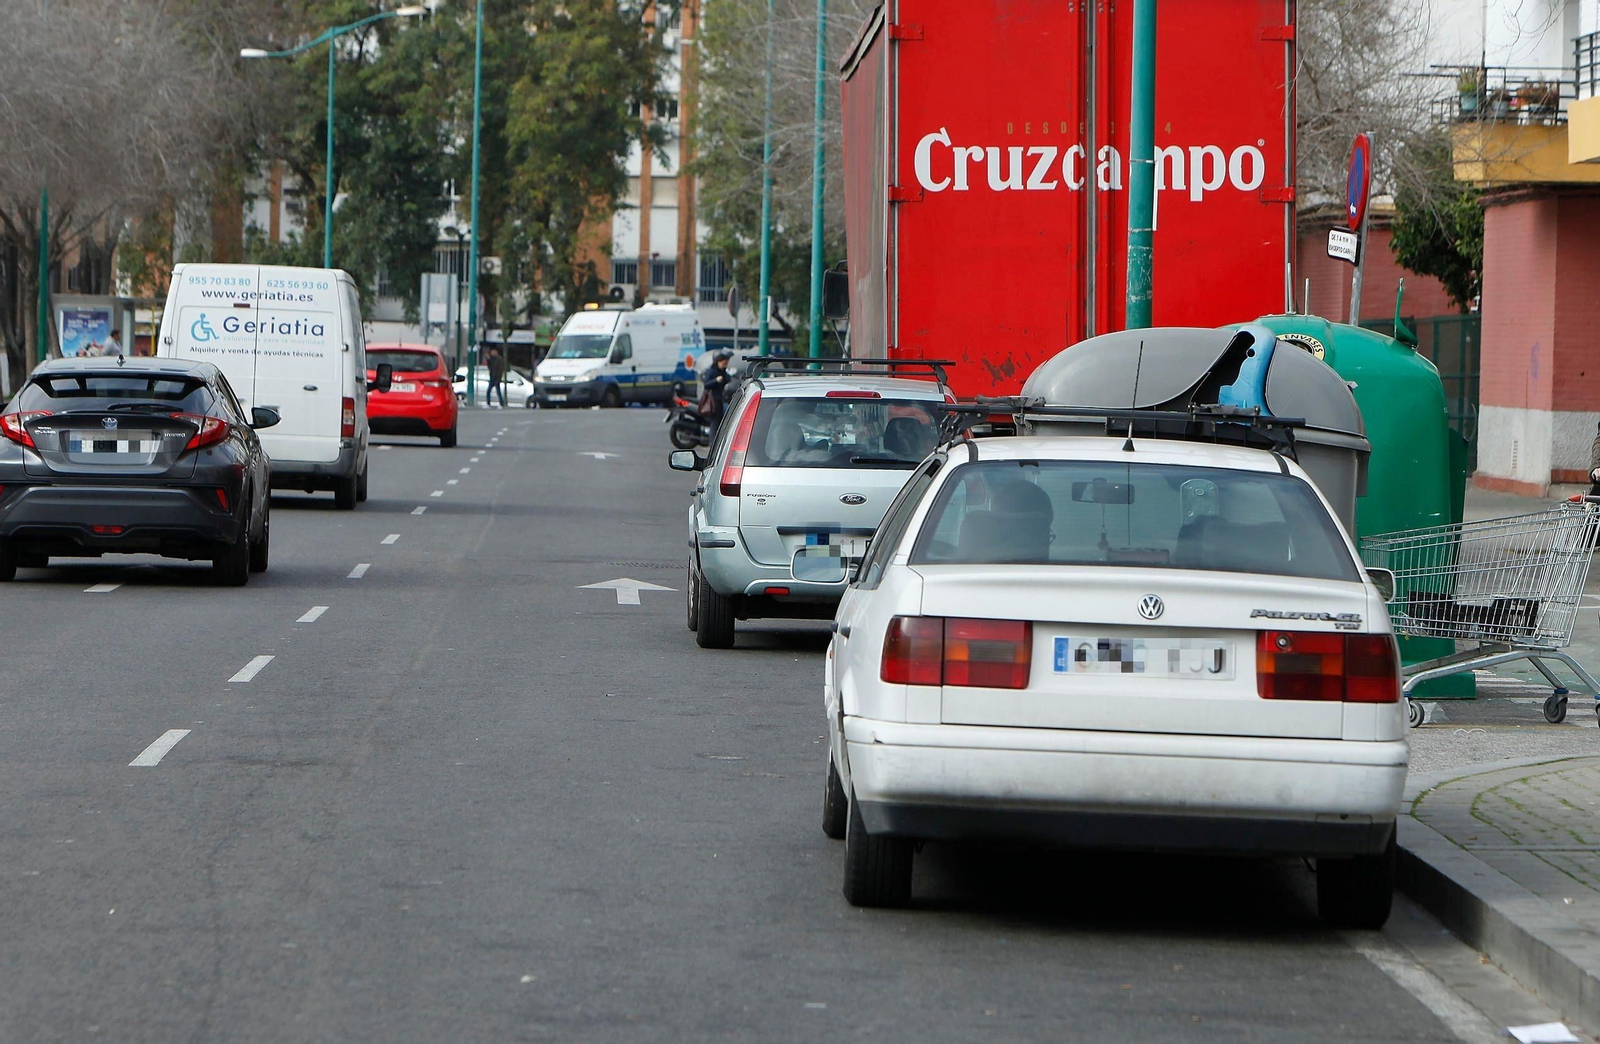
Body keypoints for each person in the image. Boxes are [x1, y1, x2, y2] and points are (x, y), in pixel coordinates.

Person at [702, 350, 734, 437]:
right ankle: (712, 442)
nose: (724, 365)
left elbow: (729, 381)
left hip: (722, 400)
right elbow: (706, 385)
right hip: (714, 402)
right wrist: (716, 380)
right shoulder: (711, 372)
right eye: (723, 363)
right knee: (715, 424)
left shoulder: (723, 372)